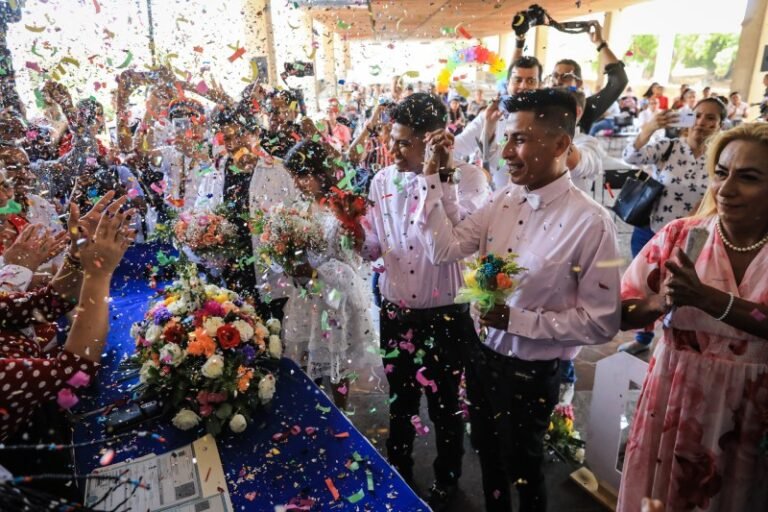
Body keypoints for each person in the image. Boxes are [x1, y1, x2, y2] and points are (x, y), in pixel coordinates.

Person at [416, 89, 621, 512]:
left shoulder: (591, 223)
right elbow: (445, 248)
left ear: (562, 144)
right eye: (506, 138)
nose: (506, 151)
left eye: (520, 139)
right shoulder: (504, 198)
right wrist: (433, 179)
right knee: (487, 459)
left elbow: (602, 323)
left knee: (524, 469)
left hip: (531, 371)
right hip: (481, 354)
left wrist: (518, 321)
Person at [617, 122, 768, 512]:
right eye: (721, 173)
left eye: (748, 178)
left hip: (753, 416)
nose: (727, 189)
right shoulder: (680, 236)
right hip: (673, 401)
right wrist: (659, 304)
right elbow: (620, 313)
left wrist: (707, 299)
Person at [358, 92, 490, 510]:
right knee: (399, 400)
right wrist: (354, 236)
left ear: (433, 138)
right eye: (391, 139)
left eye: (403, 142)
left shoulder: (470, 179)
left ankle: (448, 479)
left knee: (446, 404)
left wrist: (436, 175)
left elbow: (453, 245)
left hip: (446, 314)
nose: (392, 149)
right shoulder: (381, 180)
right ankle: (397, 466)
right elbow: (376, 246)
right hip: (395, 309)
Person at [0, 194, 134, 496]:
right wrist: (98, 273)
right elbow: (76, 369)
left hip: (38, 412)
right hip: (18, 453)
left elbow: (47, 302)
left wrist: (77, 253)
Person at [618, 97, 726, 355]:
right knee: (644, 288)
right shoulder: (669, 148)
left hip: (695, 239)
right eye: (698, 115)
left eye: (710, 118)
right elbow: (630, 156)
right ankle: (643, 338)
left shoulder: (720, 159)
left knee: (680, 291)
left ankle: (676, 343)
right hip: (652, 232)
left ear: (720, 124)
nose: (702, 122)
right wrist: (650, 127)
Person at [282, 140, 379, 409]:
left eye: (303, 176)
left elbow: (353, 259)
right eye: (295, 178)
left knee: (336, 357)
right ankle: (313, 410)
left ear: (319, 172)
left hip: (335, 295)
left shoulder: (342, 206)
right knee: (307, 351)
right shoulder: (298, 207)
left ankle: (339, 412)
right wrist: (289, 261)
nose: (299, 184)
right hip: (306, 294)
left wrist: (316, 272)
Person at [514, 21, 629, 133]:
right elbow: (515, 73)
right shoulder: (539, 102)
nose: (558, 81)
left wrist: (600, 44)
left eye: (566, 77)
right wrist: (519, 42)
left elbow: (619, 81)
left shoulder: (586, 109)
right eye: (555, 76)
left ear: (578, 83)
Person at [453, 56, 542, 190]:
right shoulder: (490, 115)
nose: (524, 86)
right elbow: (459, 147)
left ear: (539, 85)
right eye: (518, 80)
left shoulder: (548, 120)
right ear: (508, 84)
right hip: (500, 199)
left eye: (531, 81)